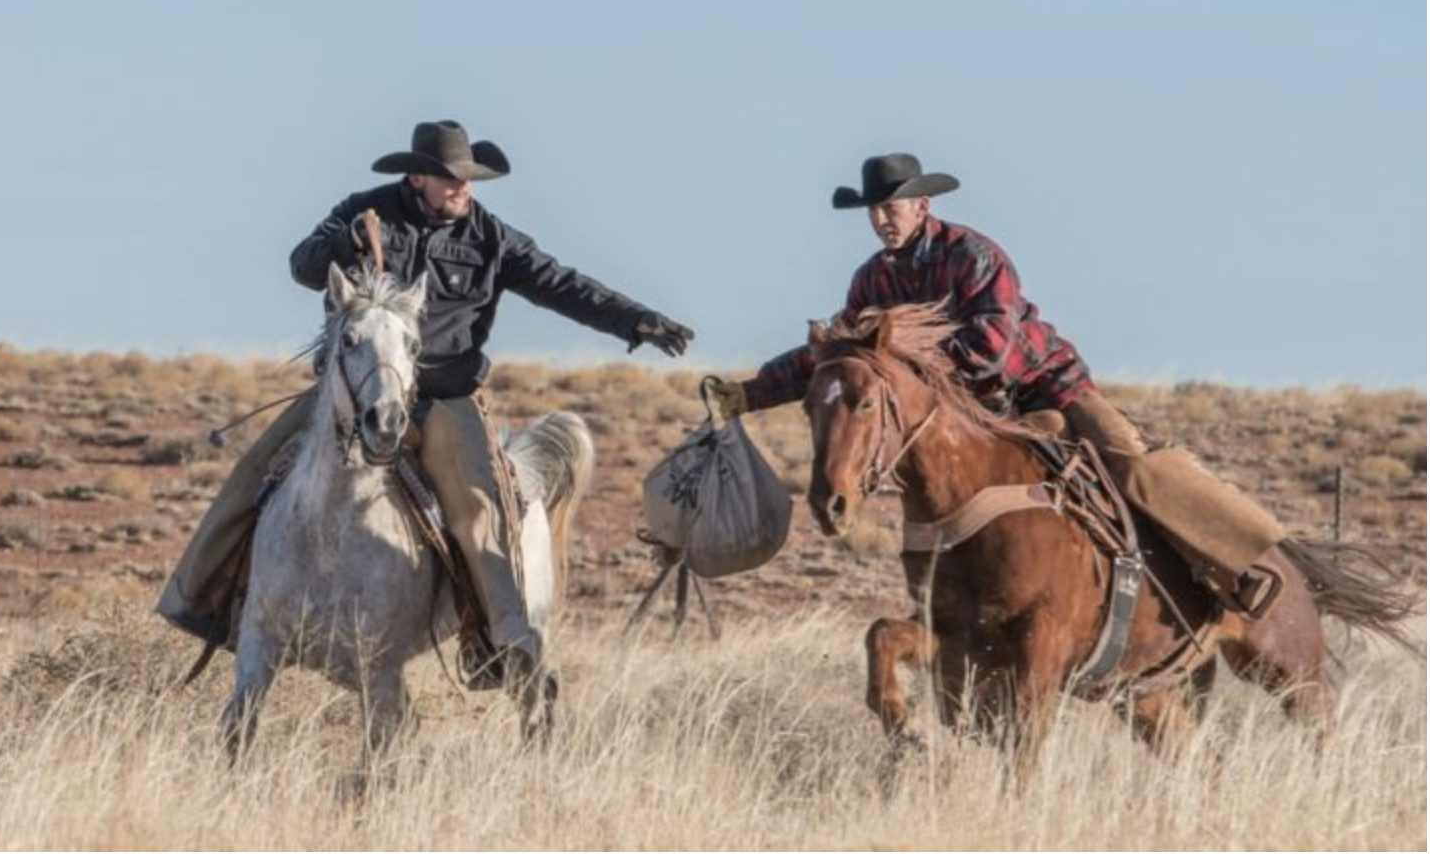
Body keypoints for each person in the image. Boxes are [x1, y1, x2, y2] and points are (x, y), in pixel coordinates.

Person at [158, 120, 694, 681]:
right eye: (449, 178)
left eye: (468, 179)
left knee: (478, 507)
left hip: (443, 396)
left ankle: (505, 642)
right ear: (417, 178)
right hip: (352, 394)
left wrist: (634, 319)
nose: (463, 188)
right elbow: (303, 265)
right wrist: (343, 245)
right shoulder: (363, 212)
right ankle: (203, 601)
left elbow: (562, 284)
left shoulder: (492, 237)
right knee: (254, 474)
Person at [707, 152, 1287, 619]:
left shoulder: (975, 256)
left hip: (1044, 388)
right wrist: (748, 394)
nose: (883, 219)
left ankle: (1245, 563)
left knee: (1132, 462)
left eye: (893, 207)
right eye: (874, 210)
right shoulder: (873, 280)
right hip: (969, 412)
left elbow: (992, 350)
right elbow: (841, 360)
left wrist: (912, 369)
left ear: (922, 205)